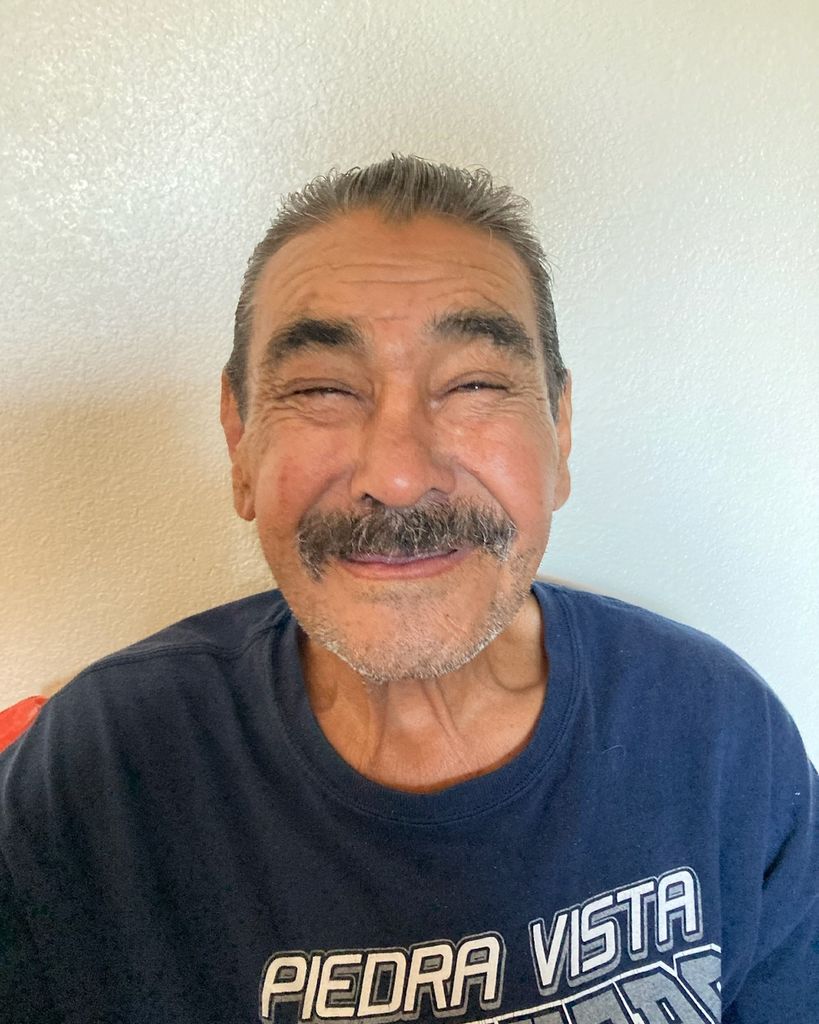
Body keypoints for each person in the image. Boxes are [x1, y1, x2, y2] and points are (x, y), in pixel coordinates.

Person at [0, 155, 816, 1024]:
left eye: (474, 385)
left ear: (559, 429)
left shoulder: (718, 733)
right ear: (240, 441)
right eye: (321, 388)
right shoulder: (94, 771)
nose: (396, 477)